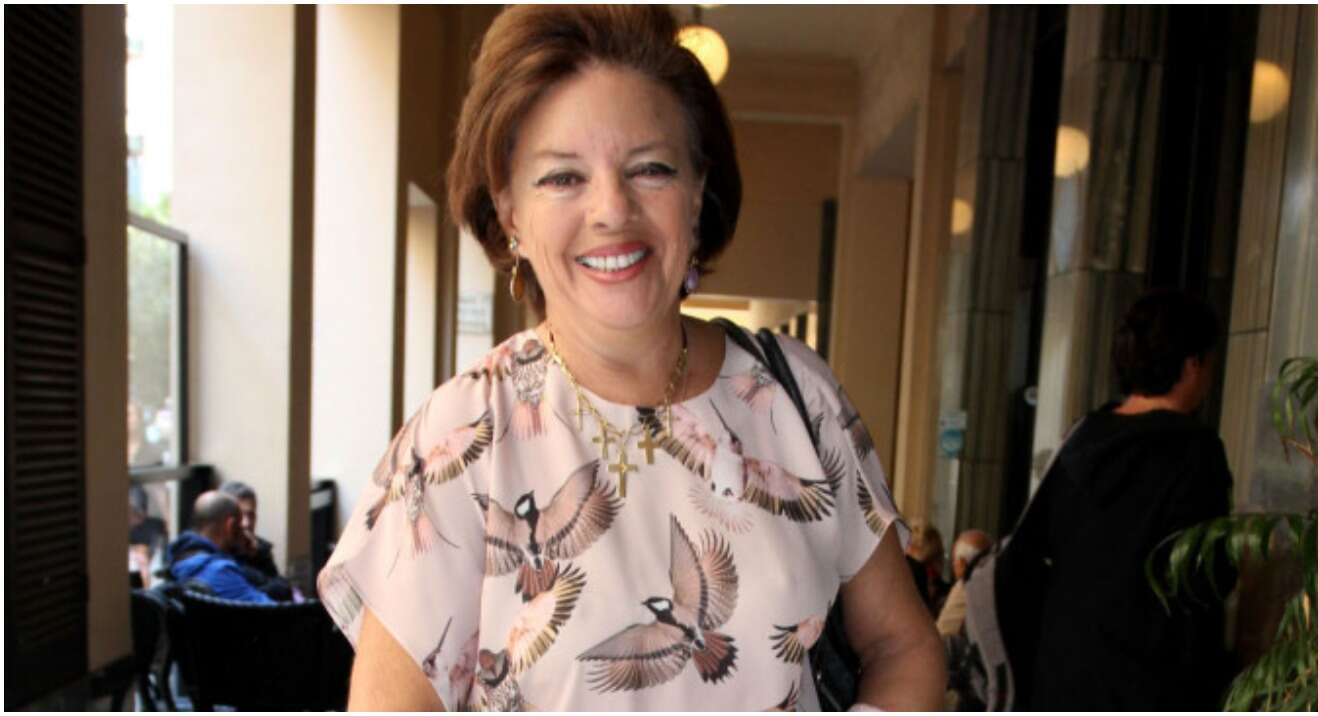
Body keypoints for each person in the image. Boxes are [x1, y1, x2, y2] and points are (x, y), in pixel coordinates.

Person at [317, 6, 944, 711]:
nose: (612, 210)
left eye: (650, 169)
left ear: (697, 191)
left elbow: (903, 646)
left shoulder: (796, 396)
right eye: (563, 177)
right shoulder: (460, 441)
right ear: (509, 210)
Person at [995, 289, 1234, 710]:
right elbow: (1205, 578)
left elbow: (1030, 555)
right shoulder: (1196, 453)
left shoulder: (1082, 438)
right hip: (1152, 685)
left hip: (1063, 677)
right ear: (1192, 364)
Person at [167, 491, 279, 604]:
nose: (244, 532)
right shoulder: (220, 571)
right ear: (230, 526)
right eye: (240, 527)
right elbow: (273, 610)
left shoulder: (180, 557)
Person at [218, 480, 292, 601]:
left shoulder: (259, 549)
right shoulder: (216, 554)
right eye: (240, 515)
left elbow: (284, 590)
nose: (247, 523)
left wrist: (255, 555)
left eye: (251, 515)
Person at [935, 529, 992, 636]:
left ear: (961, 563)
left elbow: (943, 634)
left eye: (954, 561)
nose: (953, 565)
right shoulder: (993, 585)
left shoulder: (965, 588)